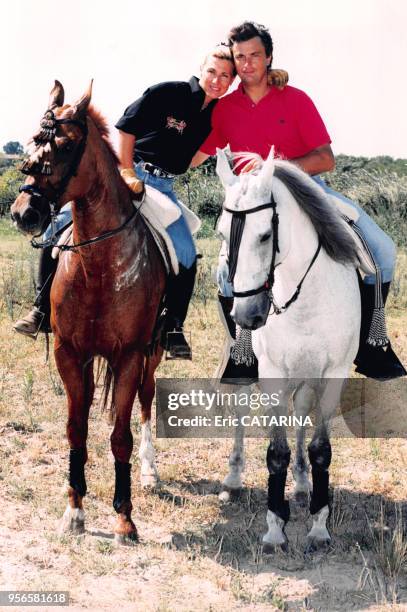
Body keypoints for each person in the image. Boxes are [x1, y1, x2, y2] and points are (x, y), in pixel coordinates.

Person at [13, 44, 288, 360]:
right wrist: (128, 171)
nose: (217, 80)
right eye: (212, 71)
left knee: (185, 251)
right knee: (57, 226)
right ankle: (39, 310)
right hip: (128, 173)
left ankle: (173, 326)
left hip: (163, 186)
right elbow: (126, 127)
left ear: (231, 82)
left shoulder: (217, 114)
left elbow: (228, 131)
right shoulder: (167, 93)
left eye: (225, 76)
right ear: (202, 69)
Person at [192, 21, 405, 379]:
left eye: (254, 55)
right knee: (225, 275)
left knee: (382, 250)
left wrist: (278, 169)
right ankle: (242, 352)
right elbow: (195, 155)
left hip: (309, 190)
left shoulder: (295, 98)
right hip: (251, 202)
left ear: (269, 57)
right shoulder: (224, 110)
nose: (246, 64)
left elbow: (326, 158)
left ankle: (373, 345)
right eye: (240, 57)